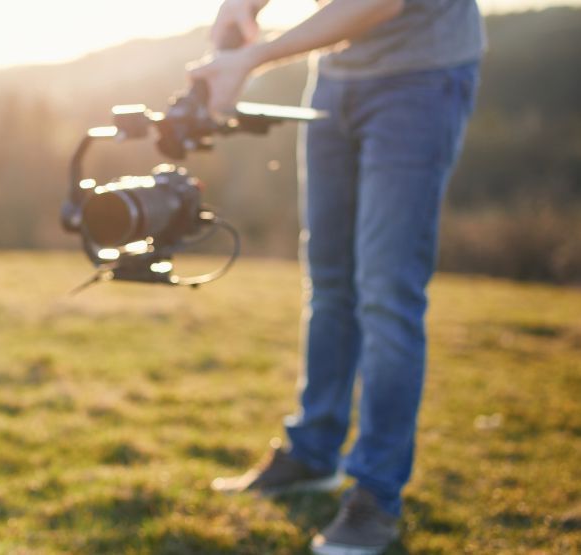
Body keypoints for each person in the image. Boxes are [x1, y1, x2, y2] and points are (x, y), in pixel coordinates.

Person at [187, 1, 484, 553]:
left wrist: (254, 56)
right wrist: (242, 6)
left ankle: (376, 492)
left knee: (385, 293)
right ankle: (313, 452)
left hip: (420, 79)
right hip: (336, 80)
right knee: (329, 283)